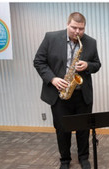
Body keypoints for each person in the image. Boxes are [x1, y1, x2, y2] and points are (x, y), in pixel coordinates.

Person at [33, 12, 101, 169]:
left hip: (81, 94)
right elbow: (38, 61)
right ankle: (65, 159)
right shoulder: (50, 38)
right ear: (67, 24)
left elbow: (97, 64)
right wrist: (53, 79)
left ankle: (84, 157)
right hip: (59, 93)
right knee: (62, 129)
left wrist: (88, 66)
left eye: (81, 29)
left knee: (83, 128)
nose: (77, 32)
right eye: (74, 28)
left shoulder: (90, 42)